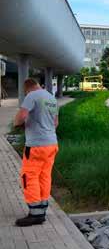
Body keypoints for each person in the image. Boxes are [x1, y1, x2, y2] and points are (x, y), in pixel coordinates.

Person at [14, 78, 59, 227]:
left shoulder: (32, 95)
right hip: (51, 144)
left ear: (27, 88)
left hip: (36, 146)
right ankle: (42, 210)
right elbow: (55, 123)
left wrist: (17, 124)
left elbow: (21, 116)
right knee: (44, 176)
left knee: (29, 176)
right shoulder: (51, 98)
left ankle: (34, 214)